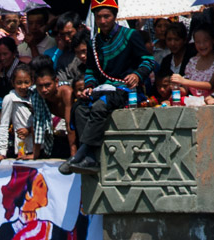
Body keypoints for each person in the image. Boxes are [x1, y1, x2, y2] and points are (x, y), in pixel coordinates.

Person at [60, 0, 155, 175]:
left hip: (126, 91)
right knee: (80, 108)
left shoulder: (130, 35)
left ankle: (80, 153)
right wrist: (89, 86)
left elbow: (149, 60)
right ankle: (90, 158)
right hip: (103, 89)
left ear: (115, 16)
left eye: (107, 16)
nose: (103, 21)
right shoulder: (93, 42)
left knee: (100, 105)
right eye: (99, 17)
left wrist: (136, 74)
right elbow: (90, 70)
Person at [0, 63, 51, 161]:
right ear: (13, 83)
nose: (23, 86)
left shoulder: (38, 96)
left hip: (42, 147)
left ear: (32, 82)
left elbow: (45, 121)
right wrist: (2, 152)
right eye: (19, 83)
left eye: (26, 82)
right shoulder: (10, 98)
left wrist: (29, 130)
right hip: (23, 148)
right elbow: (4, 125)